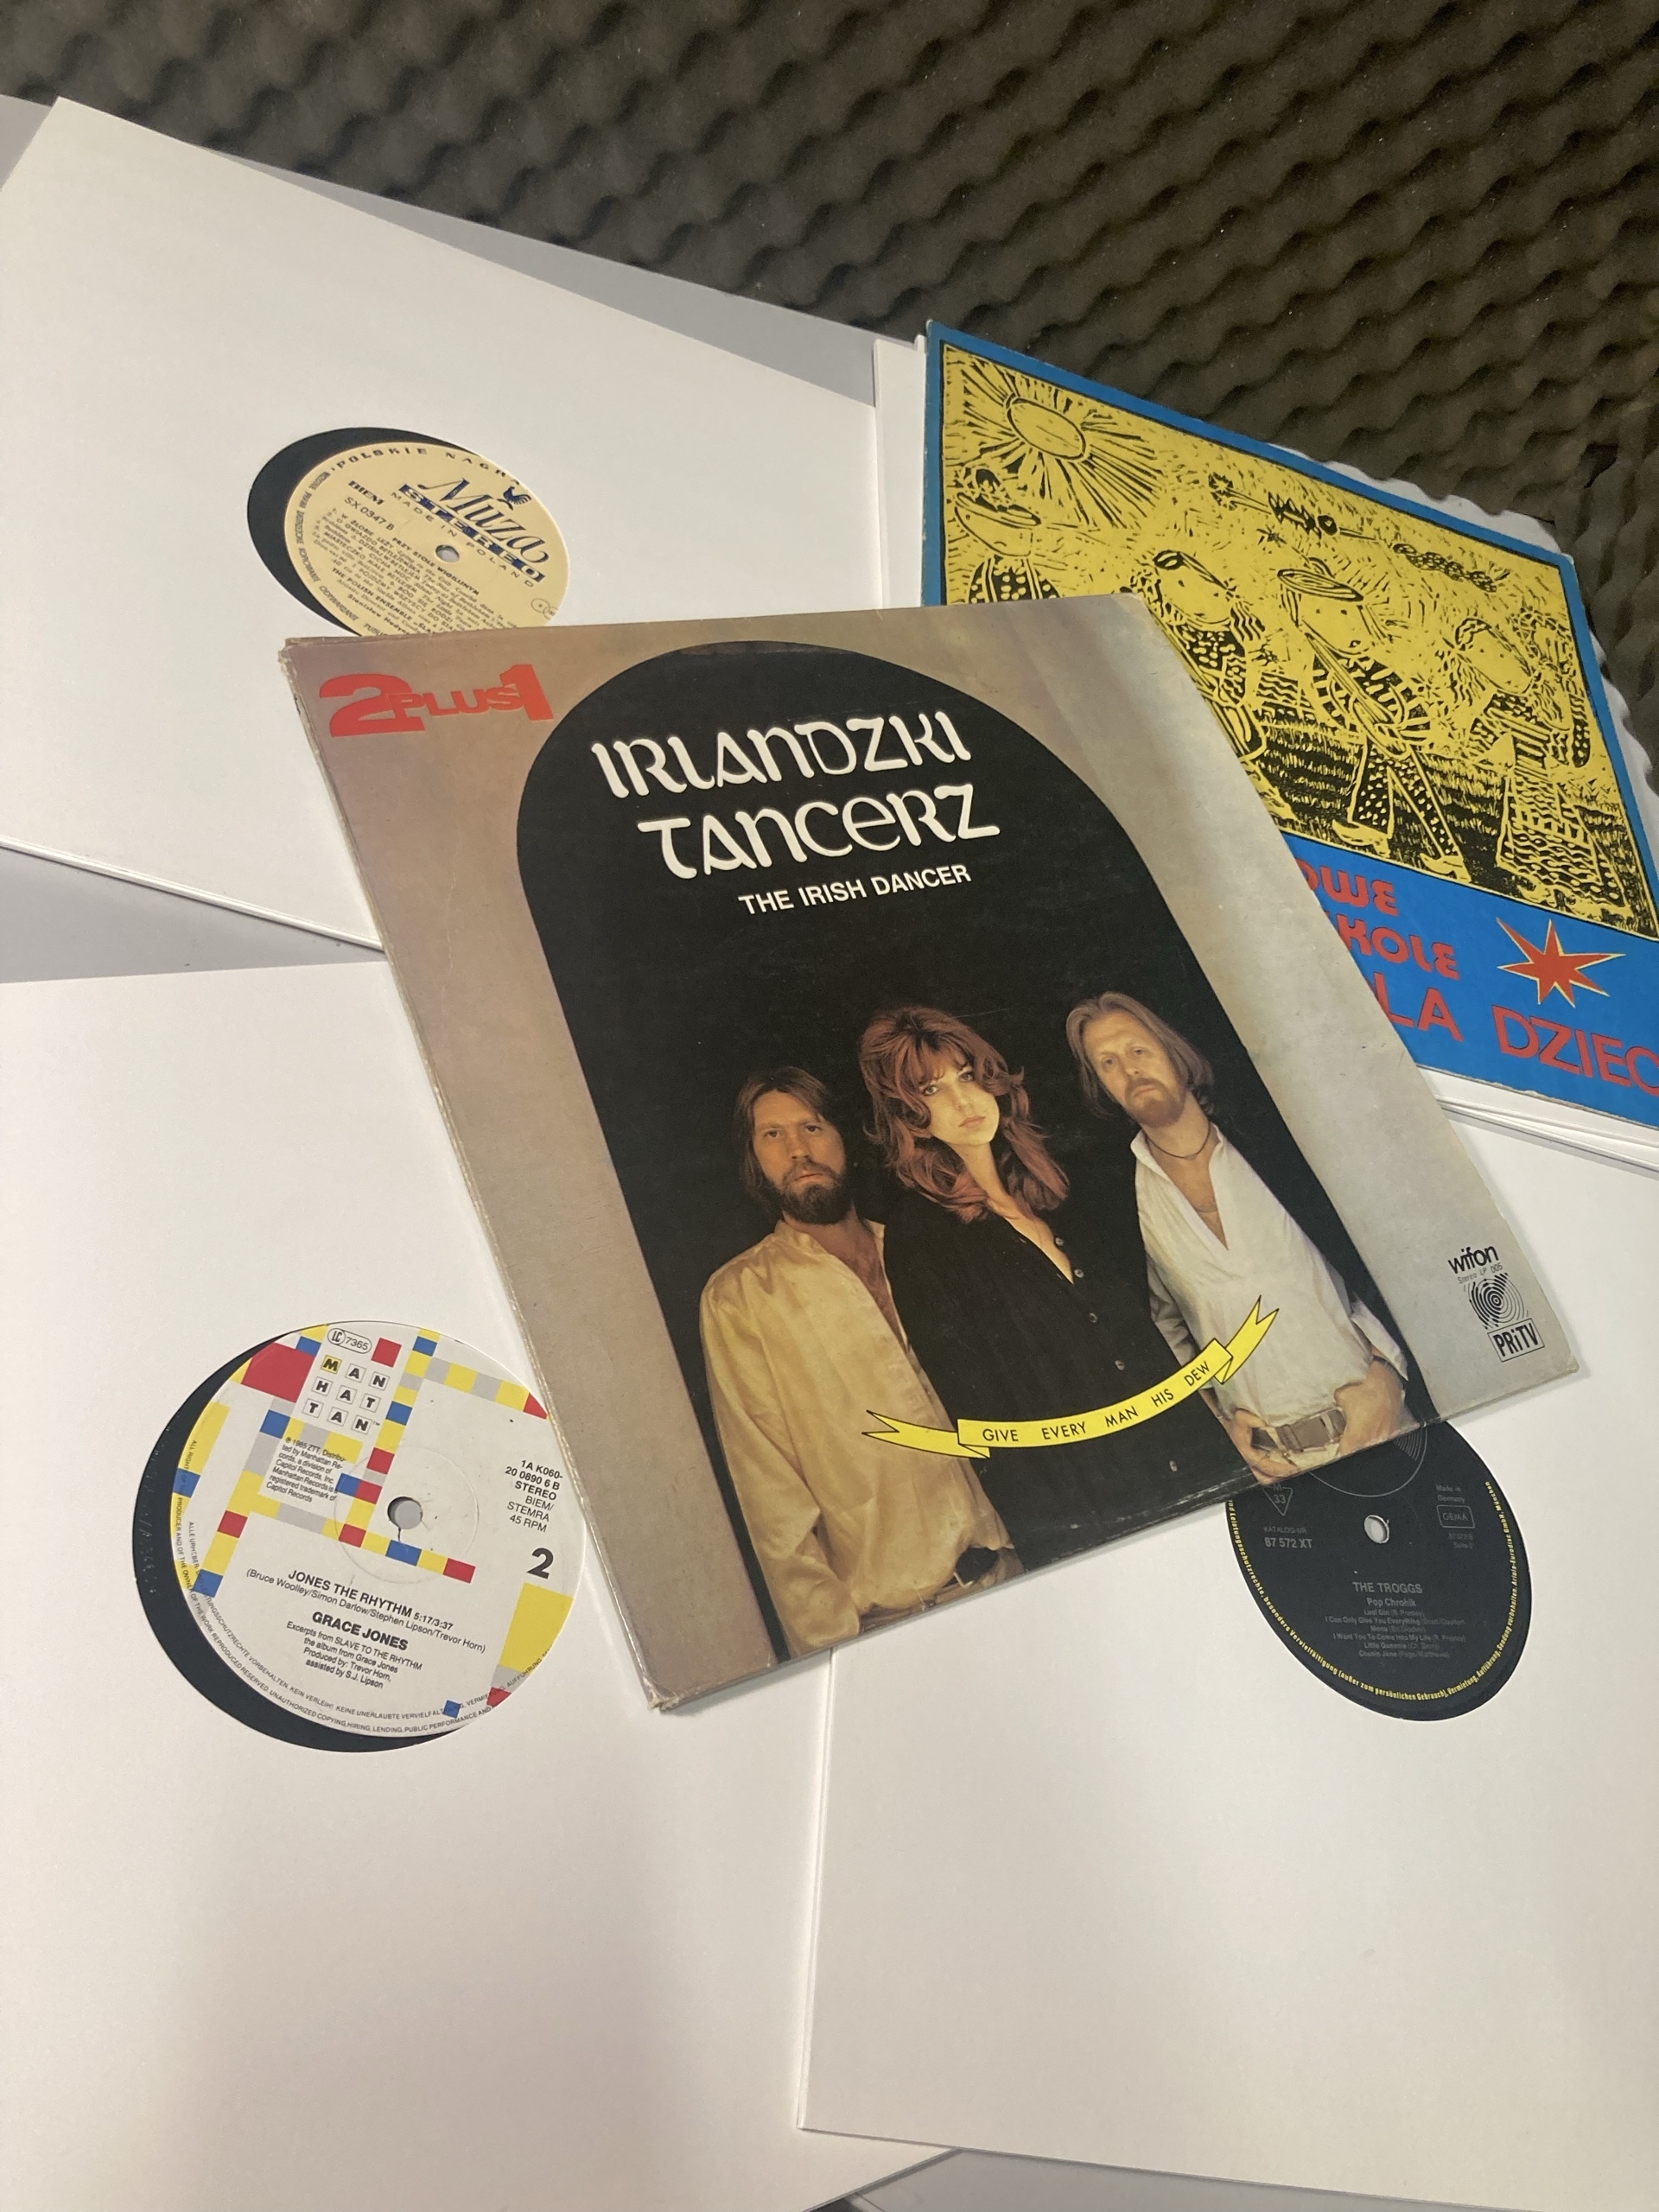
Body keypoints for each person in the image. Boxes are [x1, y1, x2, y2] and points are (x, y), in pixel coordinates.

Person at [859, 1007, 1243, 1570]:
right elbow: (983, 1422)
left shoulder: (1050, 1189)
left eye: (967, 1076)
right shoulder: (920, 1237)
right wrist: (1064, 1555)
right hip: (1098, 1515)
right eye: (933, 1090)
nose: (964, 1101)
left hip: (1194, 1468)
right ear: (908, 1114)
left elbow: (1141, 1341)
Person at [700, 1067, 1015, 1657]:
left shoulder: (922, 1247)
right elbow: (770, 1497)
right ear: (754, 1160)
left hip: (1015, 1572)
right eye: (773, 1135)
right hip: (896, 1628)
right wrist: (833, 1653)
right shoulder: (741, 1297)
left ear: (843, 1137)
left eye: (812, 1126)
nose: (798, 1150)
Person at [1065, 990, 1412, 1480]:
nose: (1129, 1069)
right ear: (1101, 1087)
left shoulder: (1276, 1147)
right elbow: (1162, 1330)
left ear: (1174, 1052)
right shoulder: (1126, 1202)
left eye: (1138, 1049)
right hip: (1275, 1470)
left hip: (1386, 1428)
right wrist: (1215, 1423)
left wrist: (1388, 1375)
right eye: (1108, 1062)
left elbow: (1375, 1252)